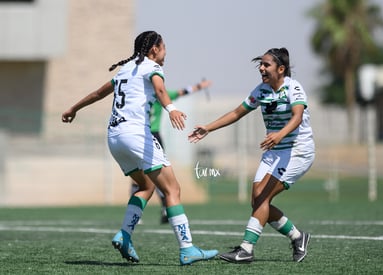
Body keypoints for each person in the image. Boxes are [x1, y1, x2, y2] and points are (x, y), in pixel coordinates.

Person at [62, 30, 218, 265]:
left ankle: (125, 235)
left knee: (145, 186)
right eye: (164, 47)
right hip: (136, 135)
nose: (166, 52)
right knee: (172, 189)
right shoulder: (152, 67)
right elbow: (160, 89)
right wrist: (171, 108)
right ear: (154, 49)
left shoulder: (125, 70)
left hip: (115, 138)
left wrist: (73, 108)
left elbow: (97, 93)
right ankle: (187, 249)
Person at [188, 47, 315, 263]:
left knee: (263, 197)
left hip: (297, 151)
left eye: (266, 65)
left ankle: (246, 249)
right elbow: (237, 113)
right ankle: (297, 236)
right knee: (257, 199)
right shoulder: (261, 90)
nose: (261, 68)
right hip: (274, 151)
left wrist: (279, 135)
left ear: (281, 69)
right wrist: (208, 128)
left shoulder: (293, 88)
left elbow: (298, 116)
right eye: (261, 64)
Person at [131, 79, 212, 224]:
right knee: (160, 175)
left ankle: (138, 214)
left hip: (139, 136)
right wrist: (200, 86)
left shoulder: (138, 95)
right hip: (153, 136)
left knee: (138, 176)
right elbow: (184, 91)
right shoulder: (162, 93)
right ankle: (164, 209)